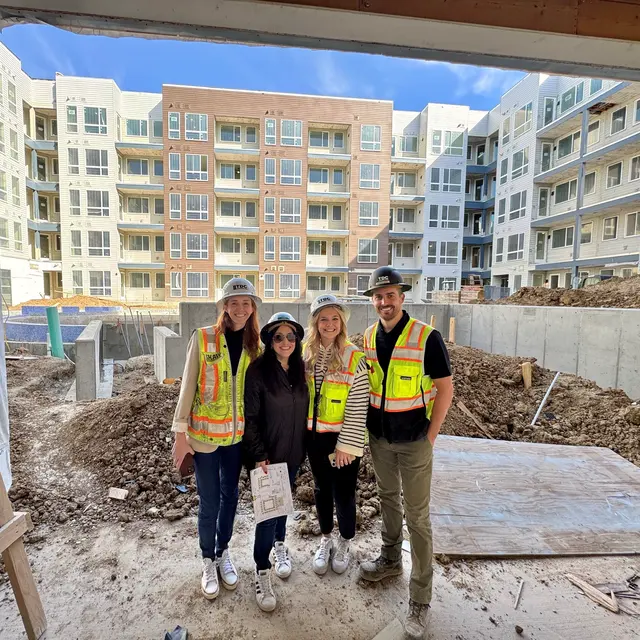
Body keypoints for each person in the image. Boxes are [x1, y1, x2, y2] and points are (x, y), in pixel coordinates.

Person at [358, 267, 454, 639]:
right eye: (379, 297)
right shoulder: (367, 337)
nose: (385, 302)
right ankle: (390, 560)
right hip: (380, 438)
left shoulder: (426, 337)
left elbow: (445, 389)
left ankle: (420, 597)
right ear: (374, 300)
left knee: (418, 516)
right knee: (387, 501)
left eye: (391, 295)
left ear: (402, 296)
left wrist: (431, 437)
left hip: (415, 440)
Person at [171, 278, 261, 601]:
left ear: (252, 308)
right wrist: (180, 433)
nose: (240, 308)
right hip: (205, 439)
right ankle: (207, 559)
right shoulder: (205, 338)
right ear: (224, 306)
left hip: (235, 440)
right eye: (234, 302)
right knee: (209, 502)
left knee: (231, 498)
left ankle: (223, 552)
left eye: (246, 303)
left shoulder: (256, 346)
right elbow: (188, 386)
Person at [243, 312, 309, 613]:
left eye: (291, 336)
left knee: (283, 507)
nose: (285, 342)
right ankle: (262, 570)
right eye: (278, 336)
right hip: (267, 459)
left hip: (293, 454)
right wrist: (258, 455)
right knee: (266, 518)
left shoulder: (299, 369)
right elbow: (252, 417)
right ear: (269, 340)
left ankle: (281, 547)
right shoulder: (258, 371)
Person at [303, 294, 369, 576]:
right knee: (321, 489)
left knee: (344, 492)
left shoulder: (354, 356)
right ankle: (326, 537)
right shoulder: (306, 354)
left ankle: (346, 541)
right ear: (315, 323)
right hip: (315, 438)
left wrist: (347, 445)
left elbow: (358, 403)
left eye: (334, 319)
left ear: (341, 322)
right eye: (323, 319)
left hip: (343, 440)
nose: (329, 324)